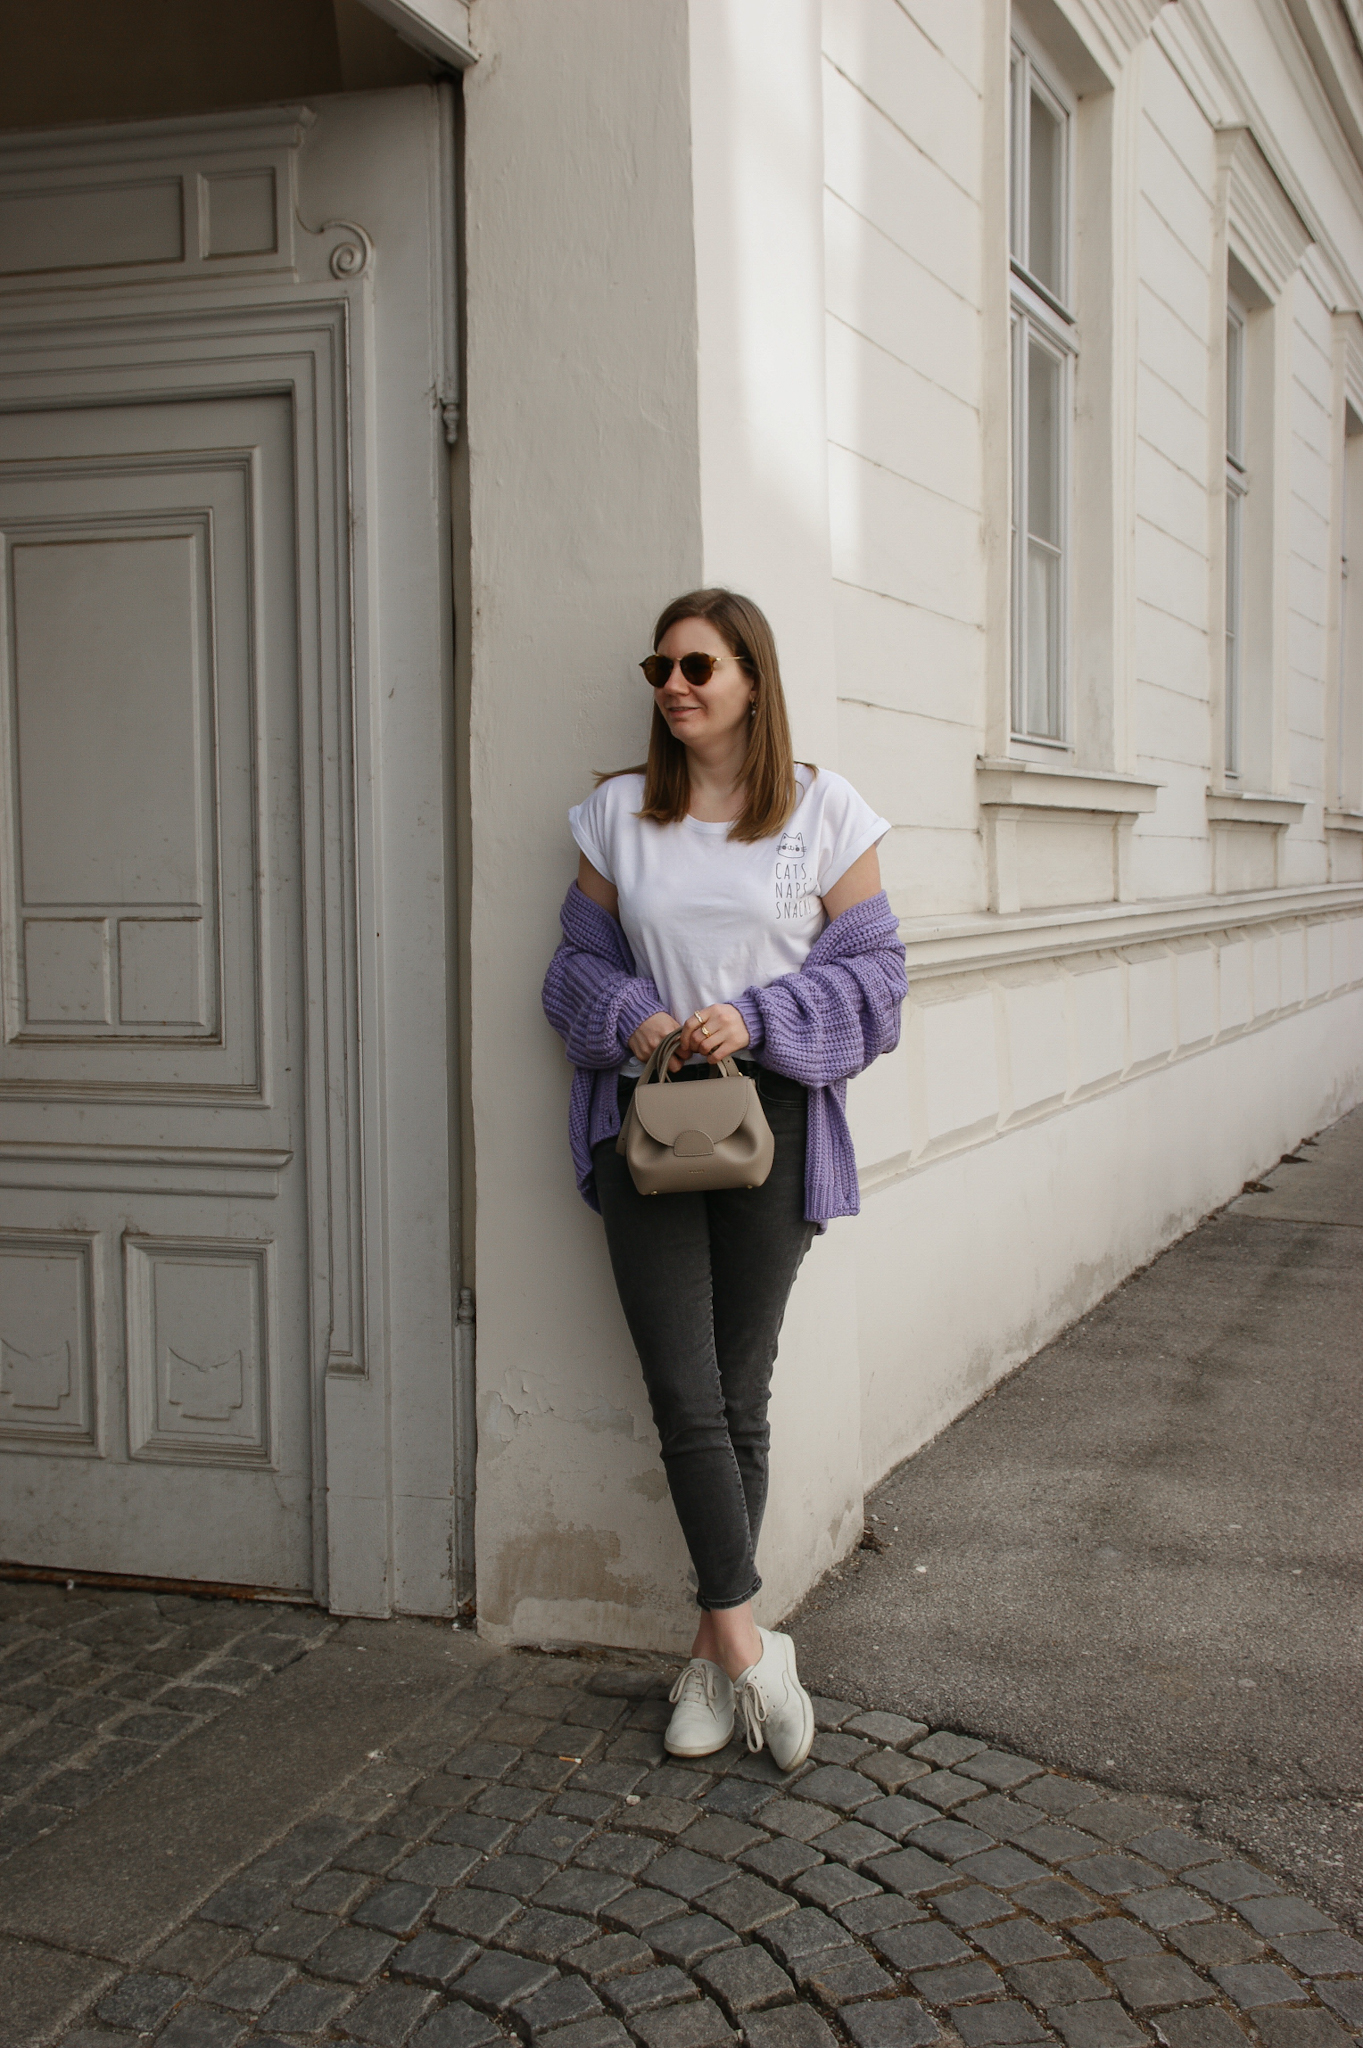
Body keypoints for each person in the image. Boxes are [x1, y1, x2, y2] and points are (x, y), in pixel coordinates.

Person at [542, 589, 907, 1771]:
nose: (674, 684)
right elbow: (570, 969)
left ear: (752, 673)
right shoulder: (616, 817)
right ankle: (755, 1651)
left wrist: (750, 1015)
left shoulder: (823, 811)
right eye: (660, 667)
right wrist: (637, 1012)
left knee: (738, 1394)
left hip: (773, 1120)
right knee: (685, 1394)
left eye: (698, 663)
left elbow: (878, 980)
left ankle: (709, 1651)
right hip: (646, 1122)